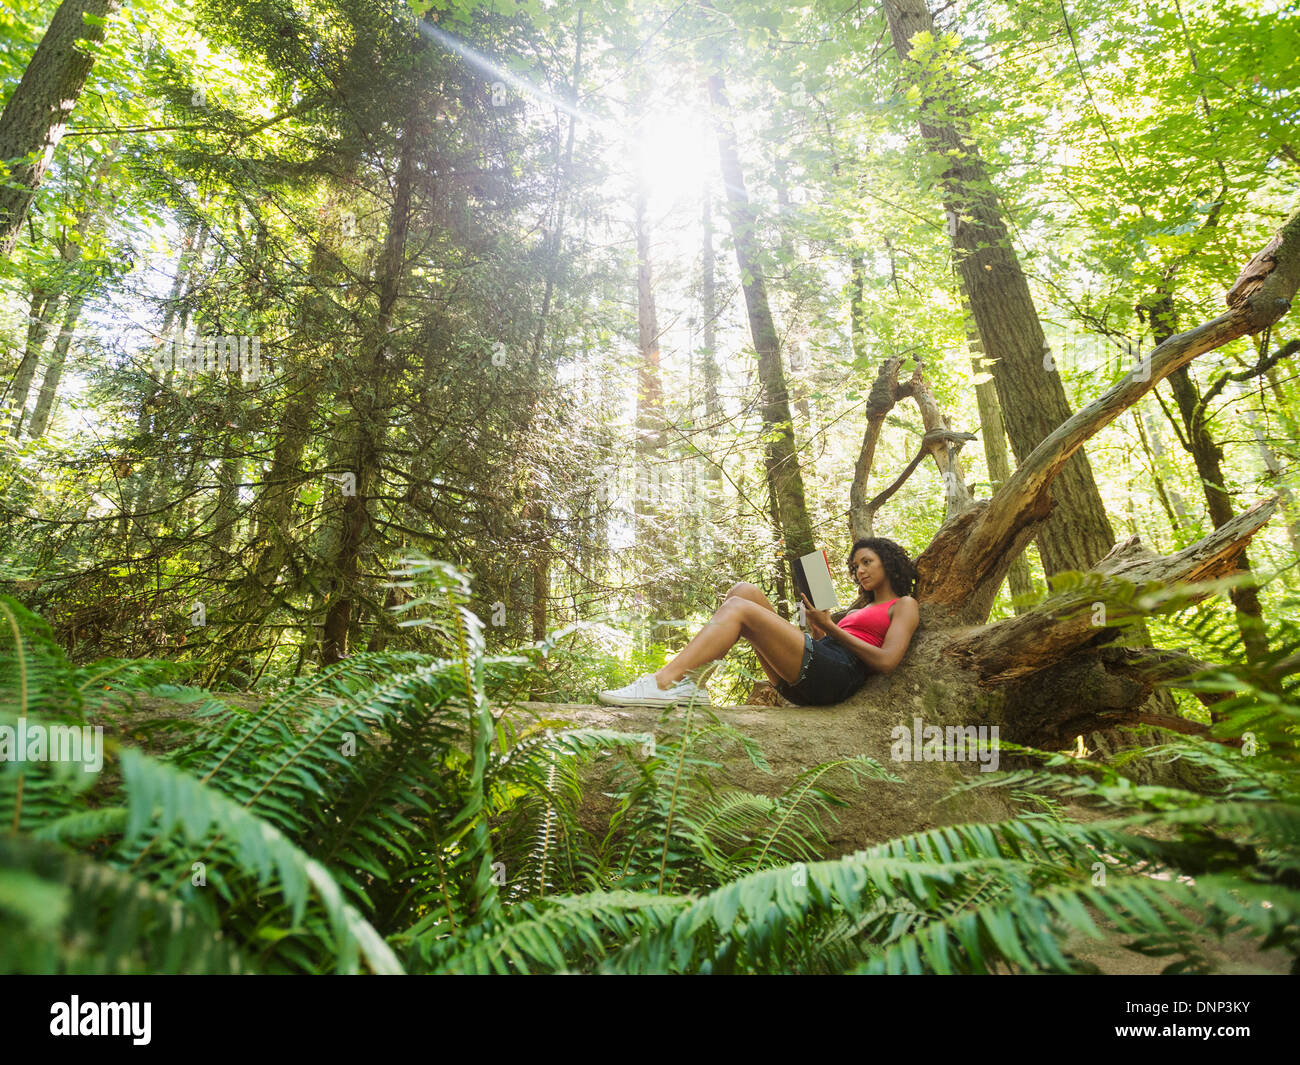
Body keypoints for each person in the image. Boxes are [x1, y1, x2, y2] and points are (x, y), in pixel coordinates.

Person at [597, 537, 921, 708]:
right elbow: (822, 641)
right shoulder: (858, 609)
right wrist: (818, 622)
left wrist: (832, 628)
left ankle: (663, 683)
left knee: (740, 608)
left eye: (867, 562)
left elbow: (888, 661)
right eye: (856, 565)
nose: (860, 570)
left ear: (888, 562)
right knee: (744, 592)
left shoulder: (904, 605)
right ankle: (692, 686)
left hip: (835, 678)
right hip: (816, 668)